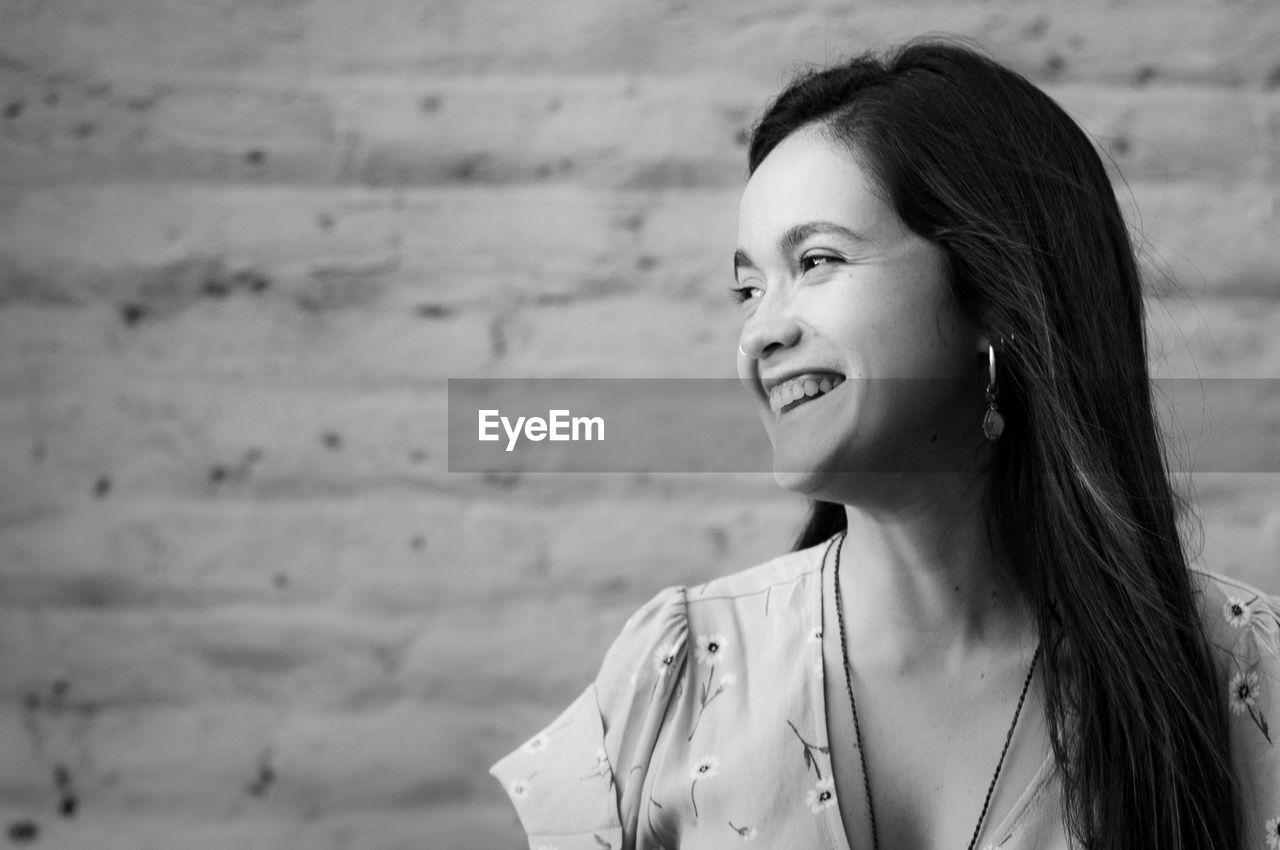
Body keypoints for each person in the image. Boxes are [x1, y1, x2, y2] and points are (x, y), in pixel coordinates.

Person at [489, 38, 1280, 850]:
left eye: (817, 260)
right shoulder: (678, 676)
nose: (761, 332)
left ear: (995, 297)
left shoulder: (1244, 675)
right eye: (748, 289)